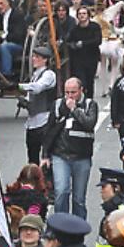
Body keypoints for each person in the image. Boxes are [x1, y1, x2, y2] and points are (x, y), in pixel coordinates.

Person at [43, 78, 98, 220]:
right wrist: (45, 155)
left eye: (73, 92)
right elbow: (49, 130)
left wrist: (74, 109)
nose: (69, 96)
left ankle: (78, 232)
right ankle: (60, 228)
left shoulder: (90, 104)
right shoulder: (57, 104)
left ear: (81, 90)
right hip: (60, 155)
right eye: (67, 92)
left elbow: (89, 124)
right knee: (61, 192)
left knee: (78, 199)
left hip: (82, 157)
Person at [17, 46, 57, 164]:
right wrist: (25, 101)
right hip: (32, 121)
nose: (33, 59)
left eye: (37, 57)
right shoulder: (35, 75)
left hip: (44, 120)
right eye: (33, 56)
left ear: (45, 60)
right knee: (32, 157)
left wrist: (19, 86)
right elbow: (31, 94)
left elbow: (38, 88)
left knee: (46, 157)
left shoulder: (49, 75)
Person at [67, 6, 103, 97]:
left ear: (88, 15)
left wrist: (83, 43)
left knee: (90, 81)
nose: (82, 16)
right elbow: (69, 41)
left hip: (91, 58)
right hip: (78, 59)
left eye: (84, 13)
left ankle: (89, 100)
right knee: (81, 82)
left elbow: (98, 40)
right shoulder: (74, 29)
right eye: (79, 14)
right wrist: (73, 45)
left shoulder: (95, 27)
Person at [0, 0, 28, 84]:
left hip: (18, 45)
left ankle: (6, 75)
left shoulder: (17, 15)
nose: (0, 7)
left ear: (7, 3)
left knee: (4, 47)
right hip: (4, 45)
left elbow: (19, 35)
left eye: (1, 3)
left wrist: (4, 36)